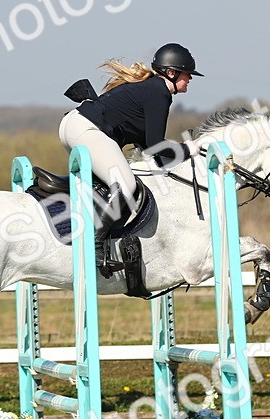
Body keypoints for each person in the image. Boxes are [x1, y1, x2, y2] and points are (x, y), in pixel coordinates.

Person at [58, 42, 204, 273]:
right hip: (86, 129)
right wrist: (187, 150)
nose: (191, 79)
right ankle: (94, 248)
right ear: (172, 73)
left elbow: (148, 147)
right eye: (188, 74)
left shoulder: (151, 88)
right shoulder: (160, 92)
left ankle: (100, 239)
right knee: (125, 183)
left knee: (108, 184)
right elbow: (156, 145)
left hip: (73, 125)